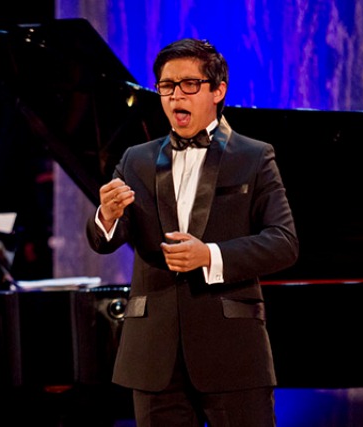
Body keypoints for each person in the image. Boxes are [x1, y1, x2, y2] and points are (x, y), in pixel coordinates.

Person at [86, 38, 298, 427]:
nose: (175, 95)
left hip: (232, 351)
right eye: (167, 85)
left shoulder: (254, 156)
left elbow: (284, 243)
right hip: (153, 354)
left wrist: (210, 256)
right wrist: (107, 215)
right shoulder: (136, 159)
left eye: (189, 84)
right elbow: (104, 240)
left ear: (218, 91)